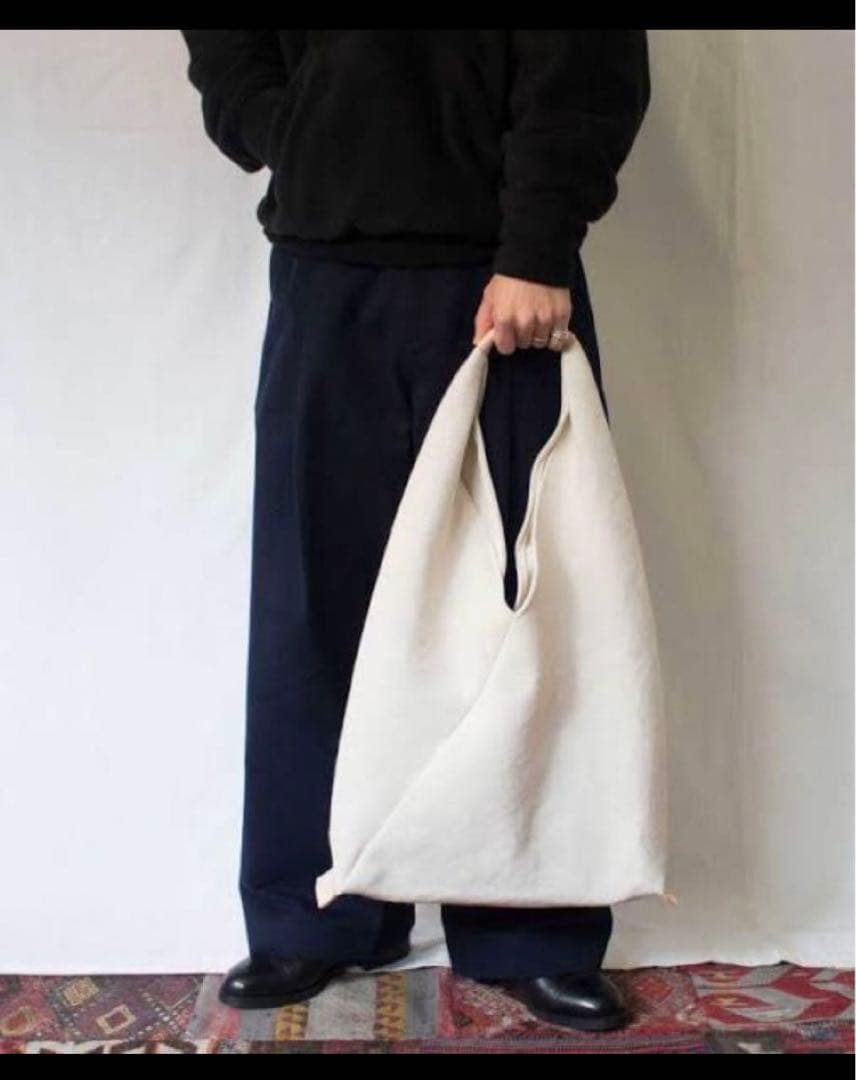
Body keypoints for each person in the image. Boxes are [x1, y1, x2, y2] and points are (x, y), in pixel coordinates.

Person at [179, 29, 651, 1031]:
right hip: (325, 265)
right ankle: (316, 910)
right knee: (317, 604)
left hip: (502, 276)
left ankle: (533, 924)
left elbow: (589, 52)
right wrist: (285, 124)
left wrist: (537, 246)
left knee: (522, 609)